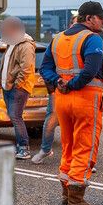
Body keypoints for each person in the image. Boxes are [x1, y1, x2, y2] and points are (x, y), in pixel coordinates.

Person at [40, 1, 103, 205]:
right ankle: (76, 200)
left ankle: (66, 192)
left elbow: (45, 67)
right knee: (85, 146)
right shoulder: (92, 39)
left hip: (62, 100)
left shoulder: (58, 38)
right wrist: (73, 85)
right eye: (100, 17)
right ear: (88, 19)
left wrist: (59, 83)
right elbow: (90, 70)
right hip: (85, 99)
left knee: (69, 145)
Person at [32, 14, 78, 164]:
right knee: (52, 119)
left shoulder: (89, 42)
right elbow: (46, 67)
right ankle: (45, 149)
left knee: (78, 124)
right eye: (76, 23)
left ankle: (79, 158)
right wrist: (55, 83)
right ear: (70, 25)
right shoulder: (58, 41)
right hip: (59, 90)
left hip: (81, 91)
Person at [0, 17, 36, 159]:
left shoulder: (25, 45)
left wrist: (18, 84)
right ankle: (20, 146)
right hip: (8, 86)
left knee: (16, 116)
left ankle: (24, 148)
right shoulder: (12, 44)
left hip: (18, 87)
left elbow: (27, 68)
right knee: (14, 117)